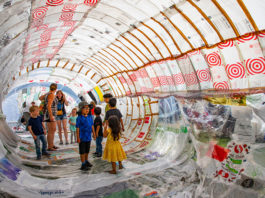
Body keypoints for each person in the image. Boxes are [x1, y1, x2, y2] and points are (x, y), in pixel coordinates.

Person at [76, 101, 96, 171]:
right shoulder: (79, 118)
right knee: (82, 151)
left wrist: (94, 134)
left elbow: (92, 126)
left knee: (87, 151)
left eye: (88, 108)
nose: (87, 110)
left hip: (88, 137)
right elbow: (77, 128)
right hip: (82, 138)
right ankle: (83, 164)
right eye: (85, 108)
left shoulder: (90, 117)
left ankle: (86, 161)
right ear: (81, 109)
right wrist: (78, 137)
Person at [39, 83, 58, 151]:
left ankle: (51, 144)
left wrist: (48, 93)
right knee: (51, 131)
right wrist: (51, 116)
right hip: (50, 114)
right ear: (56, 88)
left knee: (52, 130)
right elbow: (48, 106)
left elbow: (40, 98)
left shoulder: (48, 94)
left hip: (51, 114)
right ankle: (50, 146)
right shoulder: (51, 95)